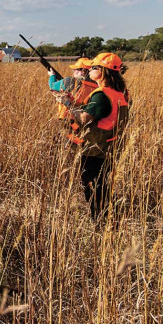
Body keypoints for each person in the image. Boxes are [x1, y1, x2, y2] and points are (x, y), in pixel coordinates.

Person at [57, 52, 130, 222]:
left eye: (95, 67)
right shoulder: (118, 92)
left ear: (104, 71)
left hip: (96, 149)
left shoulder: (102, 95)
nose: (90, 69)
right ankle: (108, 218)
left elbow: (84, 118)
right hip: (110, 146)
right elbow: (94, 113)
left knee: (93, 186)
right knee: (102, 185)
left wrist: (66, 103)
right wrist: (74, 103)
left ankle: (101, 222)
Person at [49, 57, 98, 135]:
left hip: (68, 120)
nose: (73, 71)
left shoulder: (71, 80)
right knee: (80, 142)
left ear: (83, 71)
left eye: (76, 69)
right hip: (85, 121)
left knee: (65, 143)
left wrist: (52, 76)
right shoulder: (96, 85)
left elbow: (52, 86)